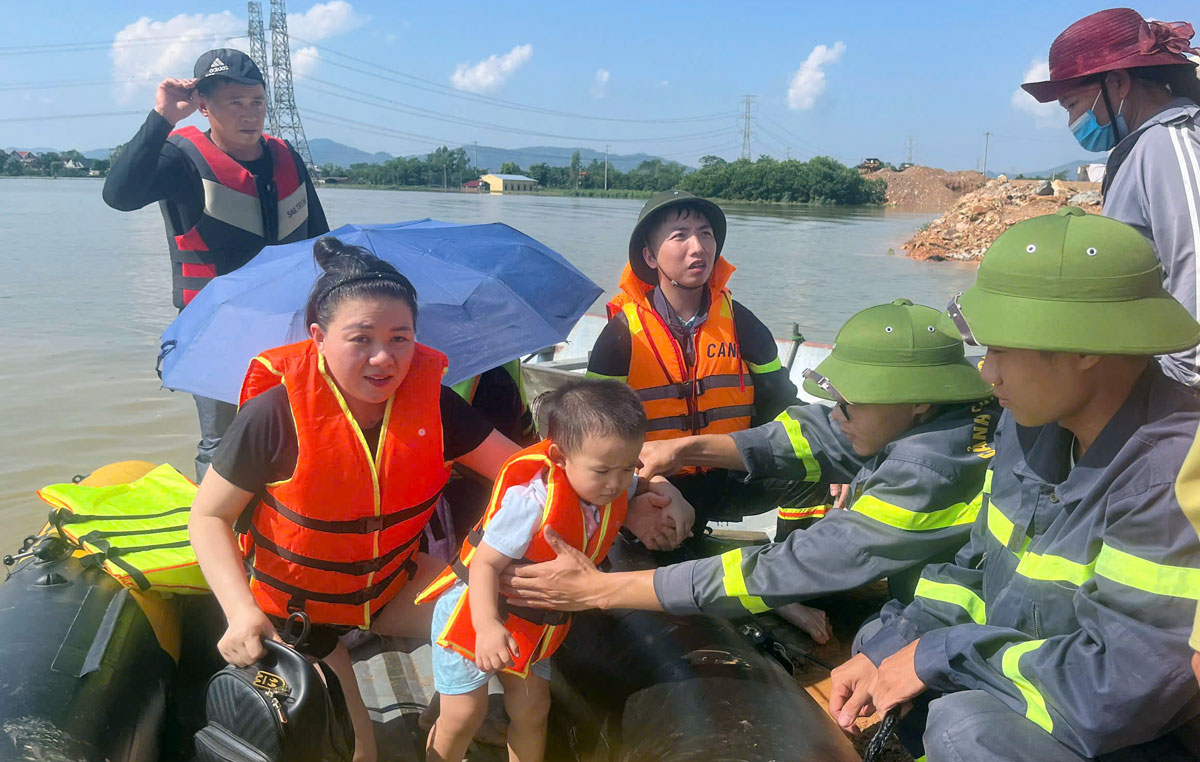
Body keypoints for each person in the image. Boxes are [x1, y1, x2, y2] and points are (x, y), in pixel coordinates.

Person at [188, 237, 689, 762]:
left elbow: (535, 472)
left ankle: (450, 713)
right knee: (360, 753)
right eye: (360, 339)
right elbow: (209, 515)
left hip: (393, 584)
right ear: (318, 337)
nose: (384, 358)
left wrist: (642, 490)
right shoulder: (275, 415)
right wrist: (240, 612)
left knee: (504, 618)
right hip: (301, 613)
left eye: (400, 338)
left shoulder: (431, 405)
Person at [826, 208, 1200, 761]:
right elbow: (978, 567)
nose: (986, 373)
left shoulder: (1171, 476)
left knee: (965, 728)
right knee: (879, 651)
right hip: (1039, 675)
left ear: (1086, 348)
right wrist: (895, 645)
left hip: (1134, 733)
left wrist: (941, 654)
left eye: (1000, 348)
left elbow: (1117, 687)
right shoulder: (1032, 427)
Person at [501, 300, 999, 649]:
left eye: (850, 404)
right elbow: (812, 435)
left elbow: (799, 563)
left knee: (878, 644)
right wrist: (680, 450)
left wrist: (602, 591)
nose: (838, 414)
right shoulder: (945, 411)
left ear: (918, 402)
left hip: (978, 607)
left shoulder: (929, 468)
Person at [103, 48, 329, 478]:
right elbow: (119, 196)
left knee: (293, 427)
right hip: (213, 326)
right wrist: (163, 117)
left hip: (286, 323)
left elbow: (321, 239)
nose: (250, 114)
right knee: (223, 441)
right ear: (204, 106)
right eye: (234, 103)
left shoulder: (286, 158)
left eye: (257, 102)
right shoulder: (177, 158)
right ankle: (215, 534)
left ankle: (270, 532)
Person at [416, 379, 649, 762]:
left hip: (532, 627)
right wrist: (489, 627)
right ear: (559, 457)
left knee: (533, 709)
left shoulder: (609, 480)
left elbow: (638, 480)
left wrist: (661, 494)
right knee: (464, 714)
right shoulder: (531, 502)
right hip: (475, 617)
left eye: (627, 468)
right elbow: (486, 564)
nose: (615, 484)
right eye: (603, 471)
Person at [587, 190, 819, 532]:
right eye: (680, 235)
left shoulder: (741, 323)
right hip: (653, 483)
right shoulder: (622, 335)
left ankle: (794, 566)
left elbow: (781, 404)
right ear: (650, 256)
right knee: (671, 558)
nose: (698, 247)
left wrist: (826, 453)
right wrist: (644, 489)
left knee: (815, 469)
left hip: (731, 476)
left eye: (705, 234)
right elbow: (590, 435)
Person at [1022, 8, 1200, 386]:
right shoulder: (1138, 148)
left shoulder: (1170, 141)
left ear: (1118, 82)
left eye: (1072, 105)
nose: (1072, 122)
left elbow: (1194, 264)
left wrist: (1178, 386)